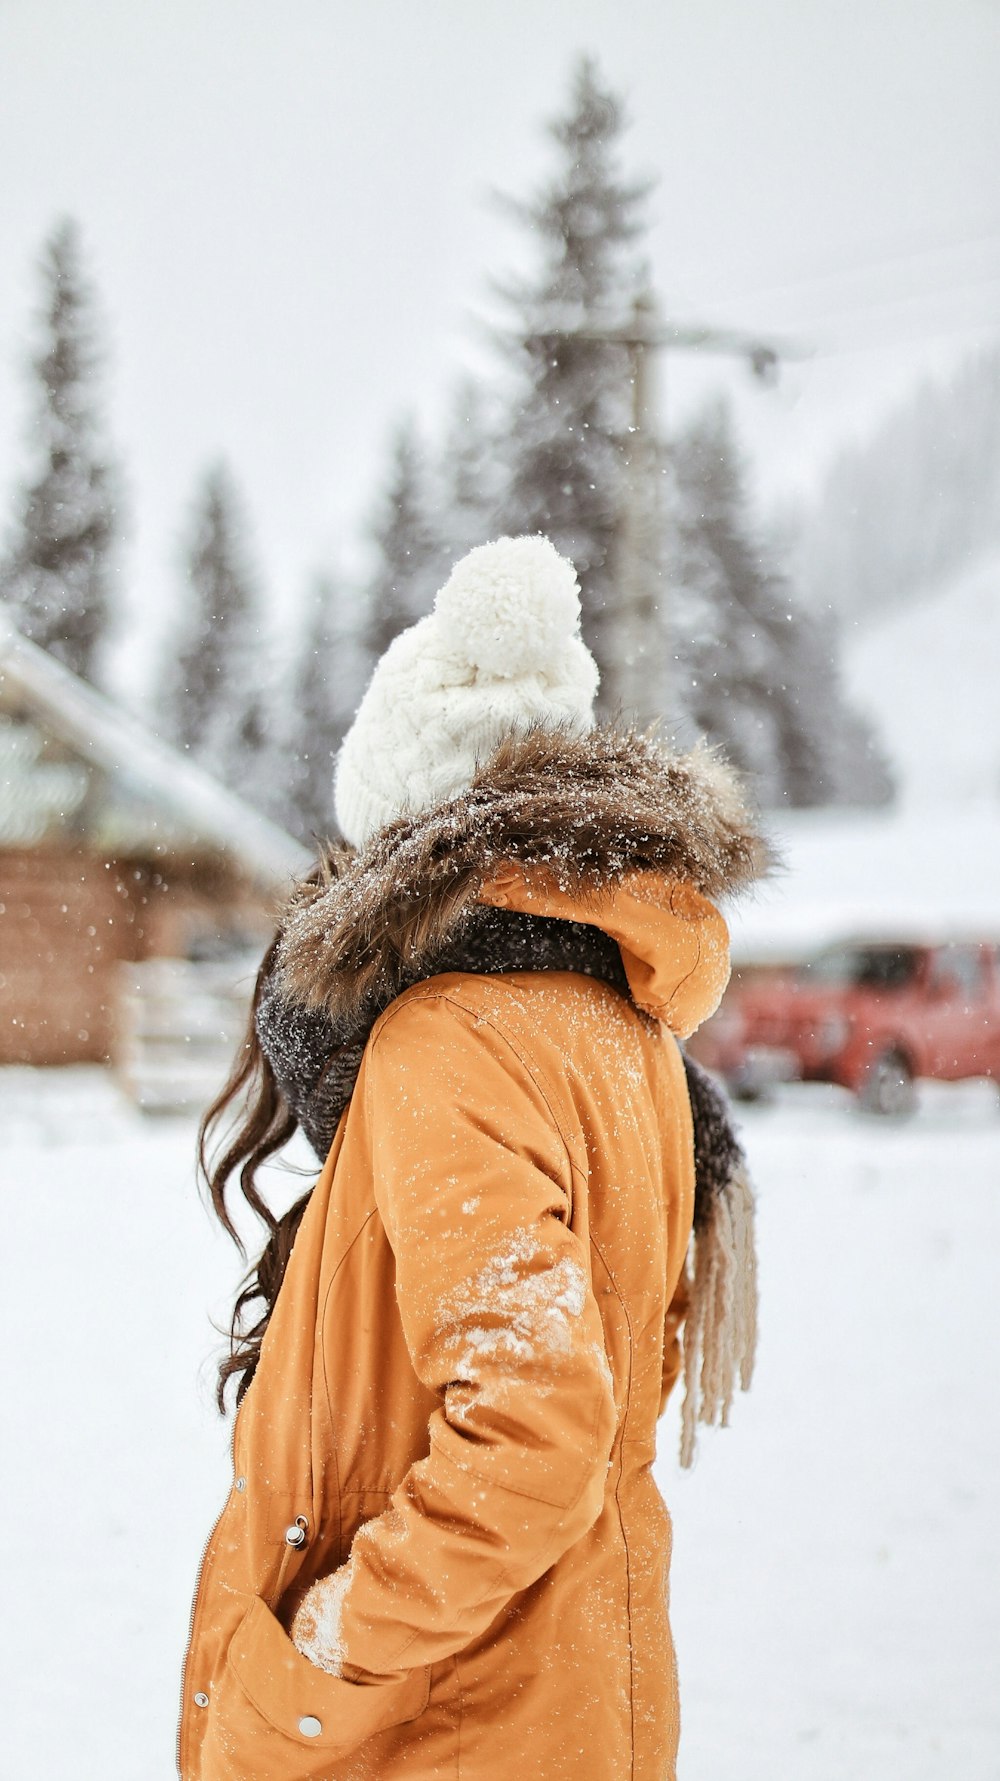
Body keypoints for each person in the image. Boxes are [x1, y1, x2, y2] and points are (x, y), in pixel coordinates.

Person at [178, 535, 766, 1781]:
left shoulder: (446, 1038)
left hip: (446, 1726)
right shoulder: (625, 1035)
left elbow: (530, 1425)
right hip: (565, 1690)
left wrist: (329, 1645)